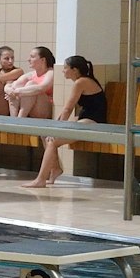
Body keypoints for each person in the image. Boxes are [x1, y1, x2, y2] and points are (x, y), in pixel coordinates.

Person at [26, 56, 107, 189]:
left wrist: (58, 128)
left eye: (65, 68)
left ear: (74, 70)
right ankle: (56, 169)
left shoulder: (81, 82)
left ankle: (40, 179)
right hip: (84, 119)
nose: (62, 71)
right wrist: (55, 126)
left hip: (94, 121)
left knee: (52, 140)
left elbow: (68, 108)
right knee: (45, 135)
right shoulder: (83, 81)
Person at [7, 46, 57, 119]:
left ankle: (19, 119)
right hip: (31, 110)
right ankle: (13, 119)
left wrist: (17, 91)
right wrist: (9, 90)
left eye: (32, 57)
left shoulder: (51, 73)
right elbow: (12, 85)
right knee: (16, 86)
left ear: (43, 60)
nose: (28, 59)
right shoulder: (31, 74)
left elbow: (42, 88)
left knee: (31, 85)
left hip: (45, 110)